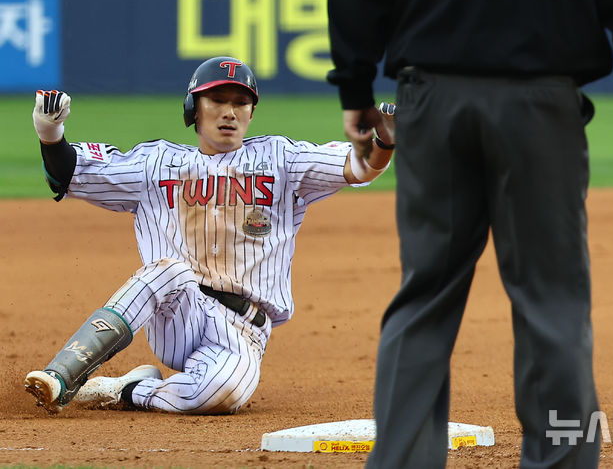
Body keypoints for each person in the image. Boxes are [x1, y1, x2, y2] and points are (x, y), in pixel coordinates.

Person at [327, 0, 613, 467]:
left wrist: (355, 87)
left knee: (426, 293)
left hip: (431, 101)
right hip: (539, 106)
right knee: (551, 297)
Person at [24, 56, 395, 415]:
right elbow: (70, 174)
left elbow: (360, 167)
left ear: (252, 112)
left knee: (220, 395)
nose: (230, 111)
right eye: (217, 100)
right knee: (170, 270)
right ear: (194, 108)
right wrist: (50, 134)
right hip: (178, 311)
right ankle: (62, 374)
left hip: (243, 331)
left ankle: (129, 390)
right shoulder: (154, 164)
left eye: (241, 102)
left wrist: (385, 140)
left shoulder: (282, 159)